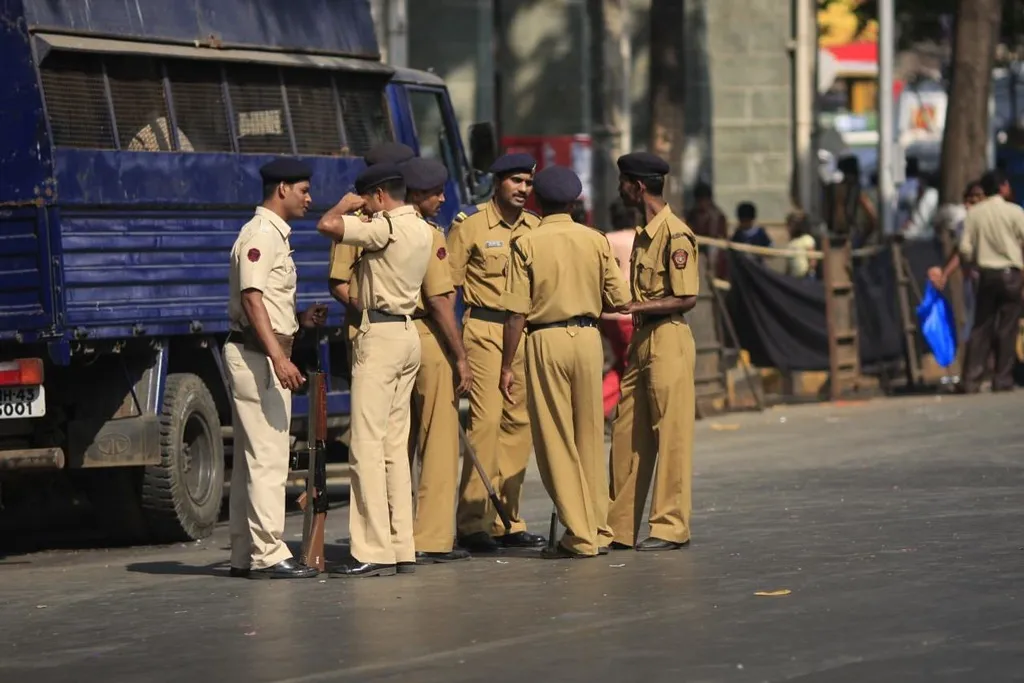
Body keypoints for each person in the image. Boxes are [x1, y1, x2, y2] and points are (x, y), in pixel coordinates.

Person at [499, 166, 631, 559]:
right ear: (575, 203)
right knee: (589, 434)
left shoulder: (527, 242)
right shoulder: (595, 240)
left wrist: (507, 365)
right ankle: (599, 526)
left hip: (546, 338)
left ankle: (578, 535)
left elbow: (516, 313)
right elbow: (619, 299)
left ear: (537, 201)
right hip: (589, 338)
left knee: (555, 438)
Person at [316, 163, 434, 577]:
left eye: (368, 199)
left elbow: (327, 225)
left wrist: (346, 206)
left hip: (380, 336)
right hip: (407, 333)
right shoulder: (422, 228)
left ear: (380, 196)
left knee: (365, 445)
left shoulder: (386, 227)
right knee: (394, 449)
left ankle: (371, 549)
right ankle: (403, 546)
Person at [225, 158, 327, 579]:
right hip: (259, 359)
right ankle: (268, 555)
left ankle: (243, 555)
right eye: (303, 190)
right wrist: (279, 358)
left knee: (252, 460)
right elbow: (252, 300)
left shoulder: (273, 236)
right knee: (268, 457)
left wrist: (297, 323)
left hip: (260, 353)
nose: (310, 199)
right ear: (281, 188)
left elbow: (266, 301)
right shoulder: (261, 235)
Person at [447, 152, 546, 553]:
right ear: (498, 182)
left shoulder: (537, 228)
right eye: (516, 181)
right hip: (484, 329)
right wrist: (455, 346)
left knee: (518, 426)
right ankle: (473, 522)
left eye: (528, 183)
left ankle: (509, 519)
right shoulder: (469, 226)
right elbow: (448, 287)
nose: (523, 189)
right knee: (485, 425)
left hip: (522, 331)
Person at [606, 151, 699, 552]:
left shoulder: (676, 234)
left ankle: (669, 526)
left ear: (637, 186)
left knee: (670, 435)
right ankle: (618, 527)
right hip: (642, 339)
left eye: (623, 183)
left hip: (669, 338)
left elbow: (687, 296)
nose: (620, 190)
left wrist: (635, 306)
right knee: (627, 433)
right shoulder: (644, 233)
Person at [398, 157, 475, 564]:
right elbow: (442, 301)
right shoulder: (429, 234)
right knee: (439, 439)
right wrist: (461, 357)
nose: (443, 199)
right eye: (436, 193)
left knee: (396, 442)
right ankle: (430, 537)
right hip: (428, 335)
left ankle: (395, 534)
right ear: (415, 195)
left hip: (387, 335)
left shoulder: (380, 227)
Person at [328, 142, 416, 377]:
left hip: (408, 333)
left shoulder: (411, 221)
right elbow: (339, 284)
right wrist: (374, 317)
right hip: (369, 333)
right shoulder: (360, 223)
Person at [957, 169, 1024, 394]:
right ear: (1003, 187)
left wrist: (975, 260)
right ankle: (1002, 378)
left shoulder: (974, 214)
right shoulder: (1015, 212)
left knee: (981, 327)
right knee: (1008, 327)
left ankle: (971, 379)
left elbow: (964, 248)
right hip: (1011, 274)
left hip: (986, 274)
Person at [785, 211, 818, 278]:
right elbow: (788, 266)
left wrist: (808, 273)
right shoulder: (790, 244)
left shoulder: (807, 239)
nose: (788, 229)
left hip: (807, 277)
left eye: (791, 225)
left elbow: (812, 260)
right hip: (794, 279)